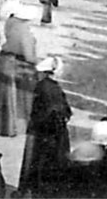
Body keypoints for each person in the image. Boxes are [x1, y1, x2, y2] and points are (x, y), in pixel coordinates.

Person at [18, 56, 72, 198]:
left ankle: (29, 190)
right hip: (55, 133)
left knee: (35, 163)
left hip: (41, 131)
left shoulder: (41, 86)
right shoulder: (55, 89)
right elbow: (66, 112)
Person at [0, 1, 39, 136]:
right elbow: (28, 53)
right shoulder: (23, 31)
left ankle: (1, 126)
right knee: (14, 98)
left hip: (4, 61)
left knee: (3, 97)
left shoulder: (10, 24)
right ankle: (11, 128)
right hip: (16, 64)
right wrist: (36, 62)